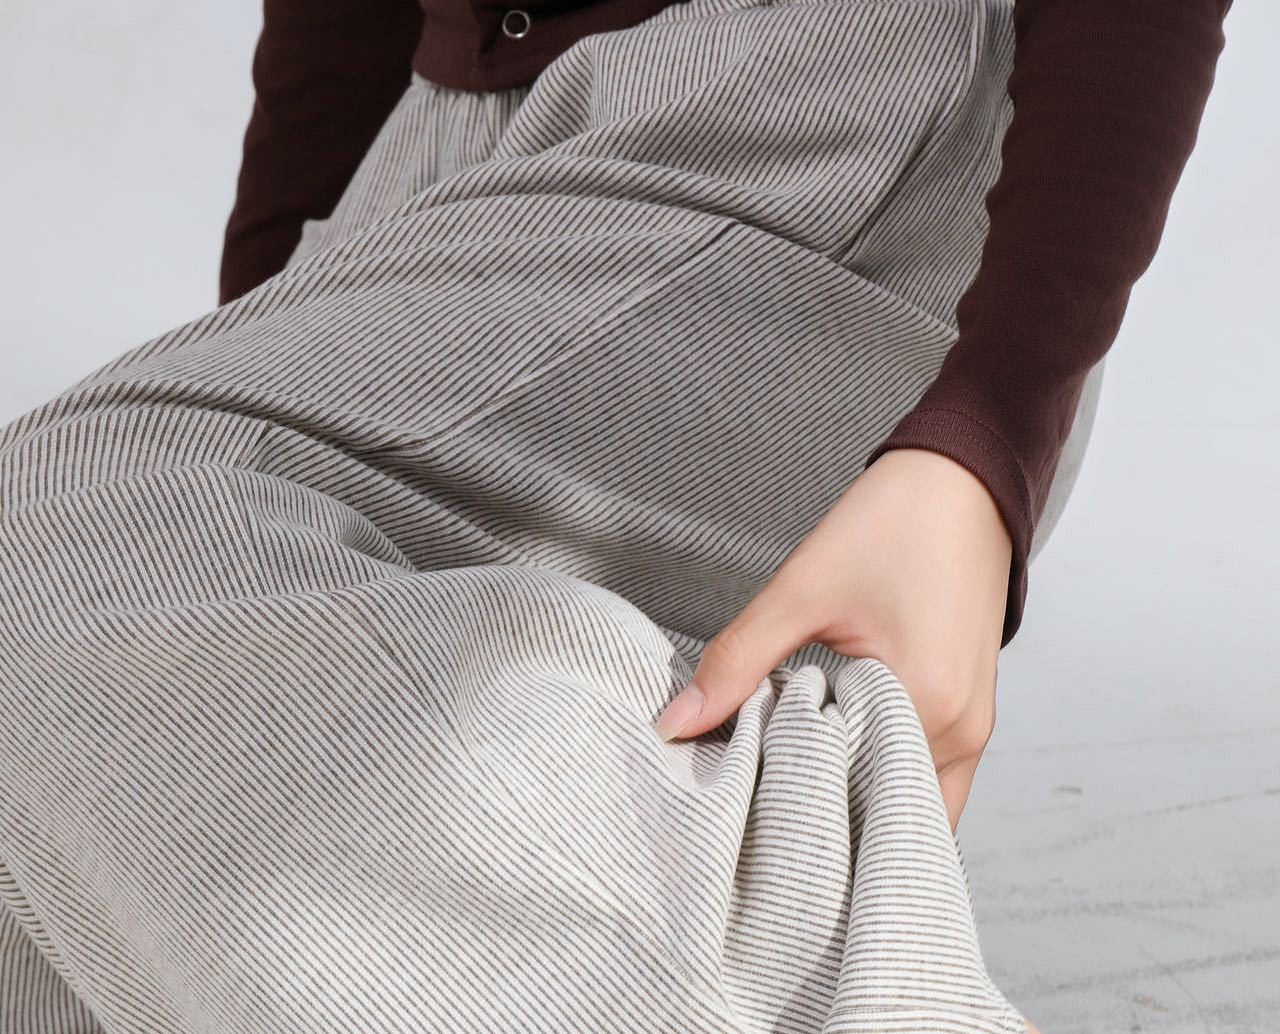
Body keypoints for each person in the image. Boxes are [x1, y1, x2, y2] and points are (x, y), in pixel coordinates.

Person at [0, 0, 1229, 1031]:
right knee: (76, 807)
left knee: (72, 533)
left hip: (800, 102)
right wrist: (277, 317)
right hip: (444, 135)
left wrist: (986, 429)